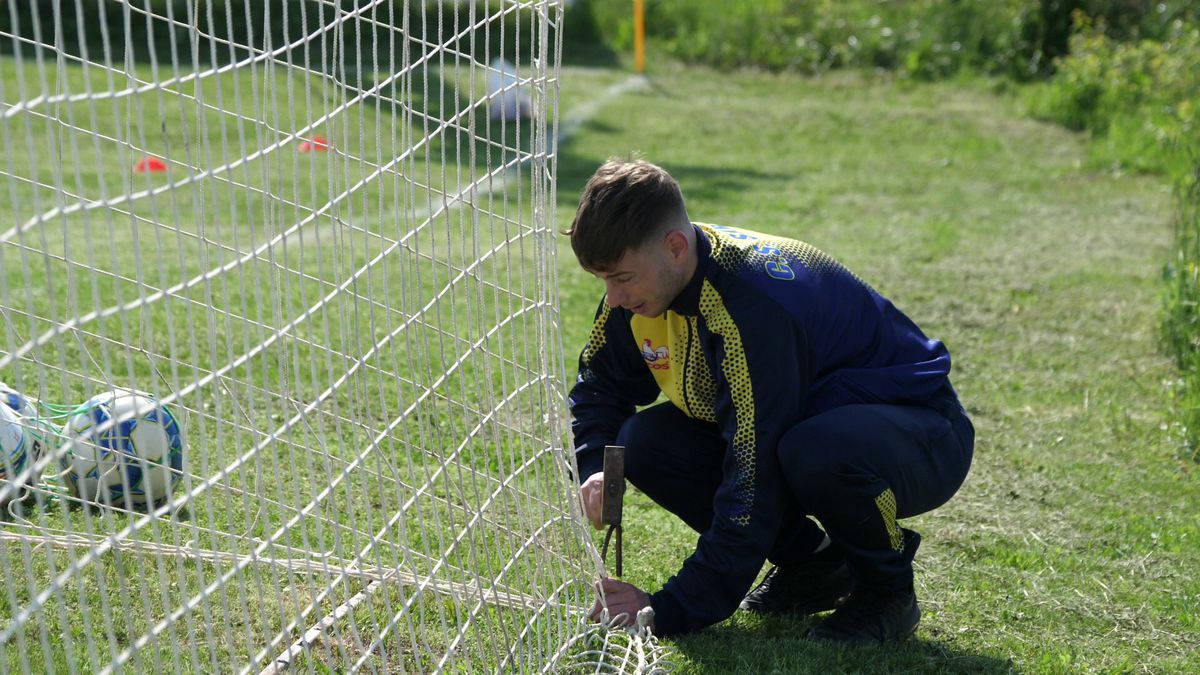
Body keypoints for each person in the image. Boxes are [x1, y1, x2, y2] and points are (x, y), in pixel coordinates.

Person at [566, 159, 974, 643]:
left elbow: (752, 477)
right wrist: (596, 464)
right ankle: (816, 566)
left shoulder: (753, 308)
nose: (612, 298)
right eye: (604, 281)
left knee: (815, 450)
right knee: (646, 440)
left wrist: (668, 609)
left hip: (923, 433)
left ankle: (888, 593)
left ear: (675, 246)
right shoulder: (647, 282)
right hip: (803, 428)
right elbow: (600, 387)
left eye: (621, 278)